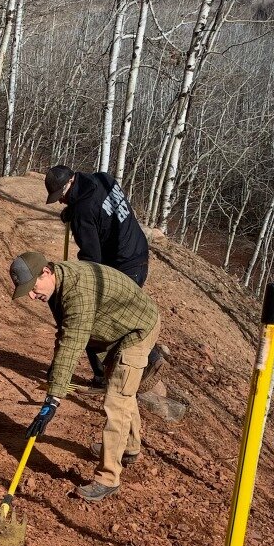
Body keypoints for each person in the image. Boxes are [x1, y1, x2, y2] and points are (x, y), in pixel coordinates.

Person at [10, 250, 160, 502]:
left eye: (33, 288)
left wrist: (53, 400)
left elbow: (72, 343)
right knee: (122, 386)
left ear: (46, 272)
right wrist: (54, 384)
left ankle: (108, 478)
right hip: (117, 330)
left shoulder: (77, 292)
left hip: (138, 329)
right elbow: (65, 333)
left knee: (117, 399)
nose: (33, 296)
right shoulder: (58, 286)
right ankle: (130, 447)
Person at [44, 164, 165, 386]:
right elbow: (102, 211)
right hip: (137, 250)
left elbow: (92, 260)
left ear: (69, 183)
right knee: (121, 315)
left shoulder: (82, 212)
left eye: (60, 196)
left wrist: (75, 281)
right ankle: (135, 362)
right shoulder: (102, 178)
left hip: (123, 265)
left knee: (93, 316)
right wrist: (74, 208)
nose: (60, 201)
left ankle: (111, 373)